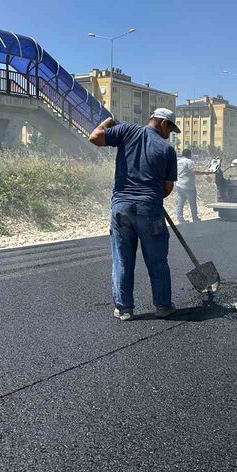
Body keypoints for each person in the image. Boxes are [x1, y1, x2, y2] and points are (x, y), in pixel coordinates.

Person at [89, 108, 180, 321]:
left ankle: (124, 308)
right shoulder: (167, 150)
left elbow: (95, 137)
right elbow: (167, 189)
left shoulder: (127, 131)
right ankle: (163, 306)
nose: (170, 134)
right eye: (170, 129)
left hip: (121, 208)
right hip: (150, 209)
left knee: (122, 259)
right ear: (163, 123)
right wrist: (150, 196)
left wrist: (108, 122)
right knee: (157, 260)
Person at [175, 149, 212, 224]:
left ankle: (180, 219)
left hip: (179, 185)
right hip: (188, 186)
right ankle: (195, 218)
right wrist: (204, 173)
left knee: (180, 203)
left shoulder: (178, 162)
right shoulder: (189, 161)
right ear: (189, 155)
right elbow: (193, 172)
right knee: (192, 203)